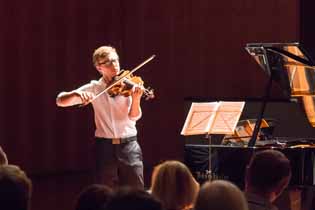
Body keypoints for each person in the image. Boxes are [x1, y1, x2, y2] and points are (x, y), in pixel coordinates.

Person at [56, 46, 145, 189]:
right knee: (104, 191)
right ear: (99, 68)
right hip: (104, 147)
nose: (114, 65)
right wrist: (76, 95)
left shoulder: (128, 84)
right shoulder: (94, 88)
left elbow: (134, 117)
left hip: (129, 146)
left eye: (116, 60)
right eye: (108, 62)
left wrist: (136, 99)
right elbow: (60, 101)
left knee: (136, 190)